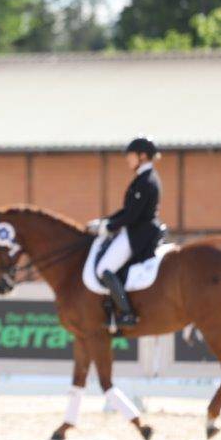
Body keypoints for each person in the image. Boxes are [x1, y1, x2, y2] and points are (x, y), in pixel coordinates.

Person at [88, 136, 164, 327]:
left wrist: (107, 227)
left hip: (138, 234)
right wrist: (105, 221)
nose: (127, 160)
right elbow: (127, 210)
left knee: (103, 269)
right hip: (136, 230)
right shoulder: (143, 178)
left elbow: (131, 215)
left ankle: (126, 312)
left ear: (142, 156)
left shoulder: (146, 181)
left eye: (130, 156)